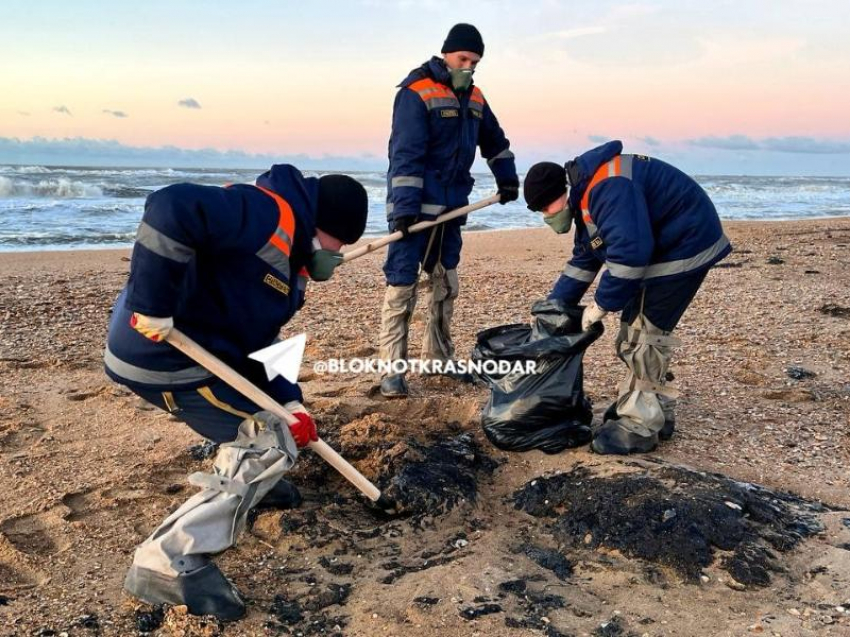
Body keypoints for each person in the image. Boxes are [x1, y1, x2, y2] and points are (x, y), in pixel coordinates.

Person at [104, 164, 368, 619]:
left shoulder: (291, 266)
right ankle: (165, 559)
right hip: (166, 356)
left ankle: (253, 483)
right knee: (268, 441)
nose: (339, 255)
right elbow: (171, 207)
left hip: (211, 355)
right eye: (339, 243)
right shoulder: (265, 214)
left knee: (281, 426)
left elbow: (261, 342)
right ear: (323, 226)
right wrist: (153, 305)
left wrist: (290, 399)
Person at [523, 141, 732, 455]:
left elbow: (631, 256)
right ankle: (656, 411)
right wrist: (554, 307)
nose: (545, 216)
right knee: (641, 329)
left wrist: (600, 306)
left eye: (544, 209)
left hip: (684, 245)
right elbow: (585, 258)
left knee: (642, 334)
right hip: (670, 242)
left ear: (560, 194)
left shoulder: (607, 189)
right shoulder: (587, 195)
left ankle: (639, 425)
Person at [379, 23, 519, 398]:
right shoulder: (416, 92)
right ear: (447, 54)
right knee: (402, 284)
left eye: (475, 62)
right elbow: (405, 154)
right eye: (463, 59)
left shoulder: (475, 98)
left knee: (445, 281)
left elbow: (495, 141)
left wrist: (507, 178)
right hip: (415, 208)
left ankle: (438, 358)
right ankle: (392, 370)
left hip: (453, 207)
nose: (469, 66)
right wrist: (405, 209)